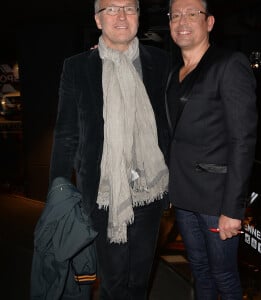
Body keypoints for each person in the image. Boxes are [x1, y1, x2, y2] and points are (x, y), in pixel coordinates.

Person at [49, 0, 170, 299]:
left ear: (139, 17)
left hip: (150, 191)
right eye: (111, 9)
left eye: (129, 8)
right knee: (114, 283)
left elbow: (176, 125)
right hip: (103, 193)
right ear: (98, 19)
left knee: (139, 281)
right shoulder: (77, 67)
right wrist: (58, 192)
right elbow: (66, 134)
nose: (121, 16)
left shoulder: (162, 62)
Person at [166, 0, 258, 299]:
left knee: (223, 275)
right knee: (200, 269)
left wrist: (233, 209)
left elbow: (242, 140)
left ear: (210, 22)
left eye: (192, 13)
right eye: (176, 15)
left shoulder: (229, 64)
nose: (183, 20)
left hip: (216, 200)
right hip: (183, 194)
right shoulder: (174, 73)